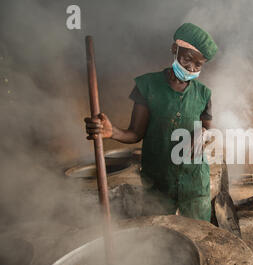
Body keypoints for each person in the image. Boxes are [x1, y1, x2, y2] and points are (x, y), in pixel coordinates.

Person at [85, 23, 218, 221]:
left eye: (198, 65)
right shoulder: (147, 86)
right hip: (158, 180)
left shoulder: (203, 94)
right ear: (175, 49)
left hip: (195, 180)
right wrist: (112, 132)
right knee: (158, 236)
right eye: (187, 59)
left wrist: (202, 134)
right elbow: (135, 133)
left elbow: (207, 127)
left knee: (199, 233)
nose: (191, 67)